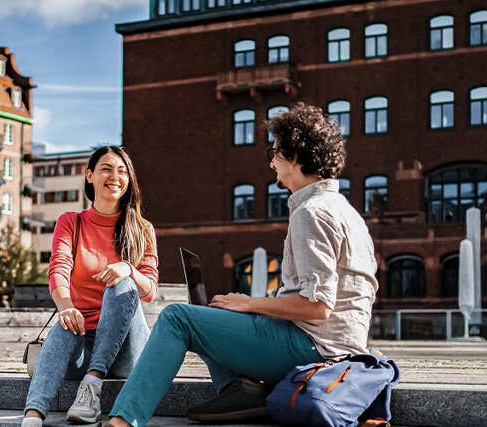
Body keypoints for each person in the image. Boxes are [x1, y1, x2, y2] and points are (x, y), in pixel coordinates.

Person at [104, 103, 379, 427]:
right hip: (339, 346)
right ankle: (243, 391)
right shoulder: (346, 210)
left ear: (294, 157)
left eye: (274, 153)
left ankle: (122, 421)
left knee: (177, 318)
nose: (272, 163)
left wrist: (251, 304)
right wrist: (246, 308)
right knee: (218, 310)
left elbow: (318, 306)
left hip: (315, 348)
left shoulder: (312, 213)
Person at [22, 146, 159, 427]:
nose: (115, 176)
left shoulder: (142, 229)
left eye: (122, 171)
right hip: (81, 346)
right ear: (89, 176)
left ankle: (92, 388)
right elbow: (58, 269)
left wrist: (129, 270)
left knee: (122, 285)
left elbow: (150, 291)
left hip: (126, 349)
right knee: (65, 321)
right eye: (106, 169)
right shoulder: (71, 223)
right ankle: (32, 417)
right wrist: (66, 307)